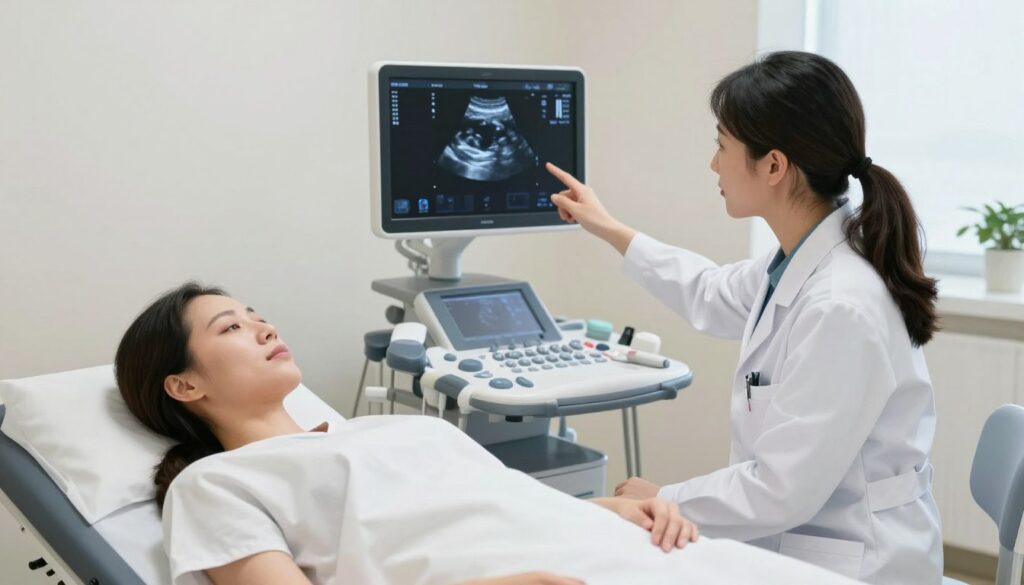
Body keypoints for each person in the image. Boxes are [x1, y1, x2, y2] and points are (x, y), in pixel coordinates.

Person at [544, 50, 942, 583]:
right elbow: (709, 290)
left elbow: (781, 490)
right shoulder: (805, 260)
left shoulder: (840, 305)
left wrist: (662, 497)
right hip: (801, 538)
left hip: (855, 563)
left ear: (774, 165)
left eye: (721, 146)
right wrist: (608, 226)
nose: (714, 165)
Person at [114, 282, 699, 585]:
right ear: (184, 386)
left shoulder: (388, 429)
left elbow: (492, 505)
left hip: (624, 554)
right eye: (233, 327)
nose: (263, 327)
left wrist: (615, 509)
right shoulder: (214, 484)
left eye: (257, 314)